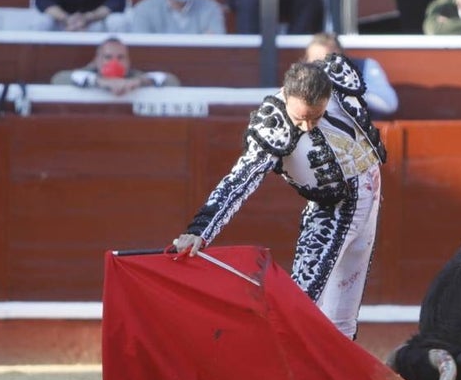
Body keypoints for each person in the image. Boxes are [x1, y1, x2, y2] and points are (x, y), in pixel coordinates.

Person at [170, 57, 388, 339]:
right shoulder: (274, 123)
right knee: (300, 302)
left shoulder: (337, 79)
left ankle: (334, 366)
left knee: (345, 308)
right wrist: (200, 230)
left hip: (371, 192)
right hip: (331, 210)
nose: (307, 127)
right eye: (300, 119)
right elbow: (240, 180)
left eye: (316, 117)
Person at [302, 32, 398, 119]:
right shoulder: (301, 79)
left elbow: (389, 105)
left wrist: (351, 90)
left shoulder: (364, 67)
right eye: (315, 61)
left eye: (326, 61)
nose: (321, 67)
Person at [50, 36, 180, 95]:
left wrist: (139, 82)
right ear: (96, 61)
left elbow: (173, 81)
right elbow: (58, 79)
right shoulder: (88, 73)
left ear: (128, 61)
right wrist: (99, 82)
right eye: (108, 57)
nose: (114, 62)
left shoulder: (134, 76)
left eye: (120, 57)